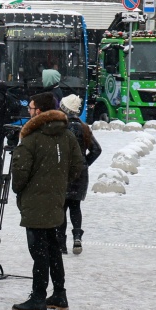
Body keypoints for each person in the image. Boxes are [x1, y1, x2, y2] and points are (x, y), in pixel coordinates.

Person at [10, 92, 85, 310]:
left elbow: (19, 175)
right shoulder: (67, 135)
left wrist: (23, 190)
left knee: (39, 252)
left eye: (31, 108)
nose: (29, 112)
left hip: (34, 204)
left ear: (39, 112)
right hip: (56, 201)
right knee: (53, 249)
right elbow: (78, 165)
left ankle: (38, 297)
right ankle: (59, 294)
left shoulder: (31, 138)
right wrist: (59, 184)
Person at [58, 94, 103, 255]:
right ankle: (77, 236)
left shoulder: (61, 127)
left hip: (63, 172)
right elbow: (97, 149)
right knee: (75, 206)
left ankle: (61, 243)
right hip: (80, 174)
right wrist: (84, 163)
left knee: (61, 208)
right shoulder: (84, 127)